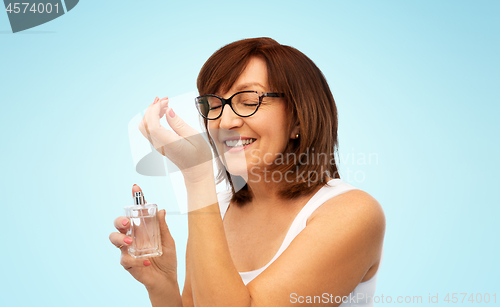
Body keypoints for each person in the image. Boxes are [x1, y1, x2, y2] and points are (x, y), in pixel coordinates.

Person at [109, 37, 385, 307]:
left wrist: (196, 174)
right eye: (214, 105)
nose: (226, 121)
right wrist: (163, 285)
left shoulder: (353, 213)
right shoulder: (218, 206)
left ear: (298, 119)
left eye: (249, 100)